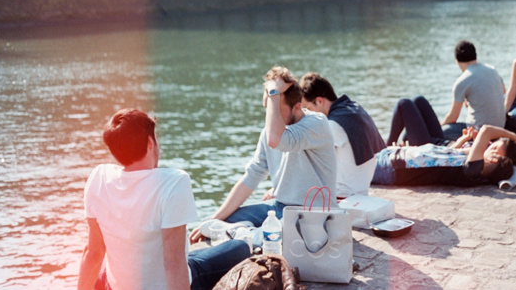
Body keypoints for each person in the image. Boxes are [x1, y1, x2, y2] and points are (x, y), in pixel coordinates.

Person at [77, 109, 250, 290]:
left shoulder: (99, 178)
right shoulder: (173, 182)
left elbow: (93, 253)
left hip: (116, 286)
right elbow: (173, 262)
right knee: (240, 248)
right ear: (151, 143)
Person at [190, 66, 336, 242]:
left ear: (297, 107)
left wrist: (274, 91)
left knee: (270, 238)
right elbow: (250, 178)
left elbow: (277, 140)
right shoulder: (268, 132)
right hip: (280, 206)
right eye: (267, 108)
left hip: (314, 213)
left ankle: (243, 235)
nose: (270, 115)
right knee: (221, 221)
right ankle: (243, 233)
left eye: (275, 107)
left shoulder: (317, 123)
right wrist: (215, 218)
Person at [298, 72, 386, 199]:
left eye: (307, 109)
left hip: (343, 196)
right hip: (361, 190)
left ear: (319, 101)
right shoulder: (353, 108)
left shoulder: (333, 125)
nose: (306, 114)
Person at [372, 125, 516, 187]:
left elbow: (486, 130)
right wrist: (463, 140)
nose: (488, 147)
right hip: (395, 157)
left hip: (391, 167)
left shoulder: (472, 170)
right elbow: (449, 154)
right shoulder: (468, 169)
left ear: (493, 159)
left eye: (492, 148)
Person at [440, 40, 506, 139]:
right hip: (500, 128)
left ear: (457, 60)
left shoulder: (462, 81)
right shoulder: (492, 69)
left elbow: (452, 117)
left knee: (442, 131)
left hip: (479, 132)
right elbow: (503, 91)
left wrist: (438, 127)